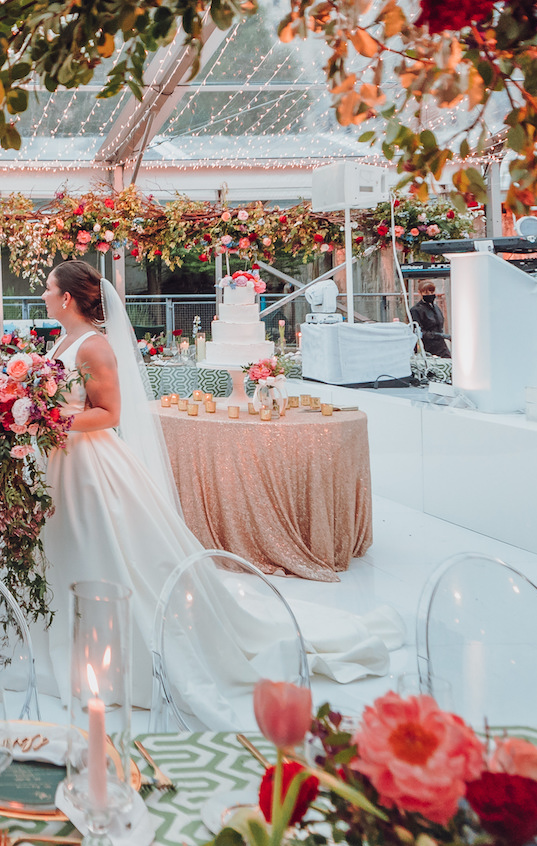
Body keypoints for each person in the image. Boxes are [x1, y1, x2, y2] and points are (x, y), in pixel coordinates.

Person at [33, 259, 400, 724]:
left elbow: (110, 413)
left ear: (66, 298)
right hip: (56, 461)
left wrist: (50, 418)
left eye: (48, 289)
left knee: (103, 547)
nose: (44, 295)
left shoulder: (94, 347)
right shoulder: (61, 340)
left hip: (87, 462)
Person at [410, 280, 451, 358]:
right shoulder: (416, 310)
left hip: (441, 346)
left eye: (432, 292)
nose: (430, 295)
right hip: (427, 347)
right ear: (420, 293)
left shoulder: (436, 308)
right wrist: (441, 335)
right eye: (426, 293)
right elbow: (419, 332)